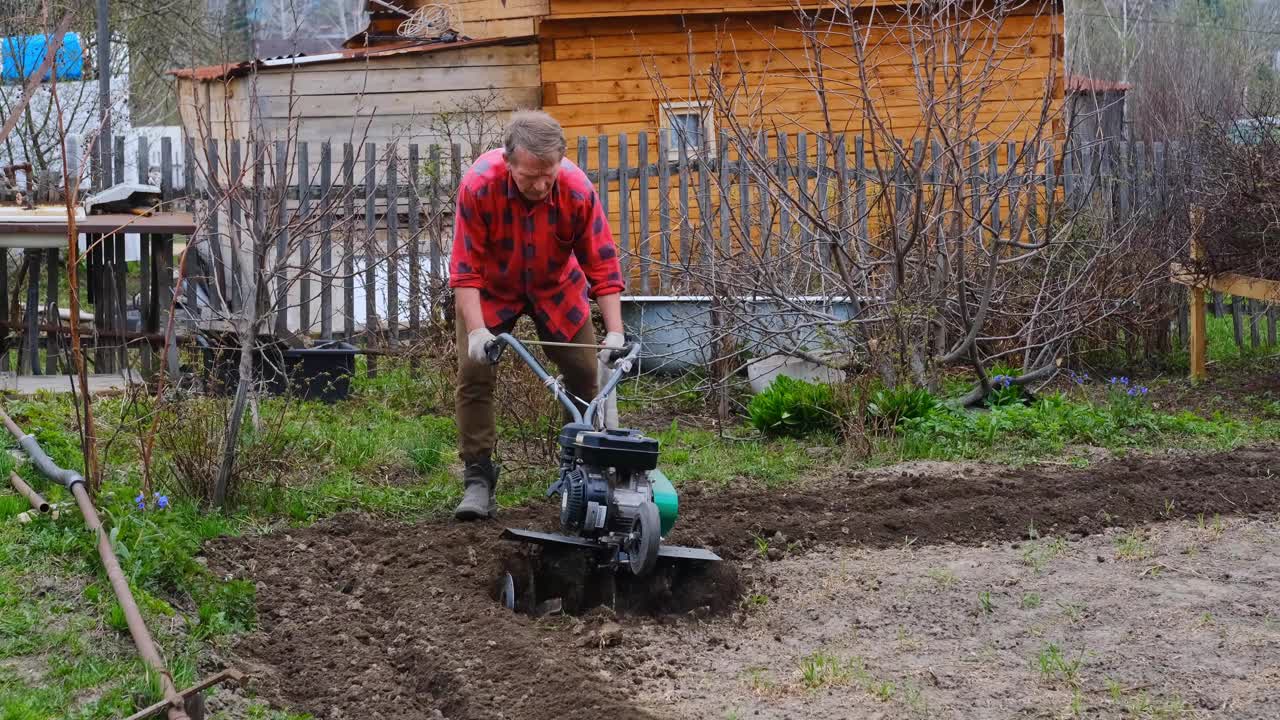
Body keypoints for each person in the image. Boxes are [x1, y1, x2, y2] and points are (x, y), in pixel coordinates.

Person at [448, 110, 627, 521]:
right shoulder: (479, 186)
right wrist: (477, 332)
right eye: (531, 176)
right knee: (474, 374)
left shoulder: (576, 190)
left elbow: (601, 264)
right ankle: (478, 477)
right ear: (508, 162)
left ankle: (577, 468)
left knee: (585, 372)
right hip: (492, 289)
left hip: (554, 287)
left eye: (549, 174)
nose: (542, 185)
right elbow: (465, 271)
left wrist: (614, 333)